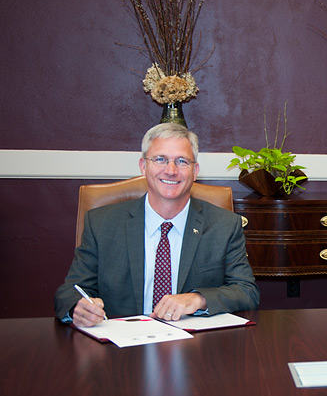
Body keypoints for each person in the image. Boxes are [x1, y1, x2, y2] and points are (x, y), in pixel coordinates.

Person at [55, 123, 259, 327]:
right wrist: (78, 308)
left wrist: (198, 299)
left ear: (195, 171)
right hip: (121, 348)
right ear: (143, 166)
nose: (171, 171)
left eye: (182, 161)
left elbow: (246, 291)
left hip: (194, 347)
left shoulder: (224, 225)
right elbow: (70, 292)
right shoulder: (101, 224)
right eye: (160, 159)